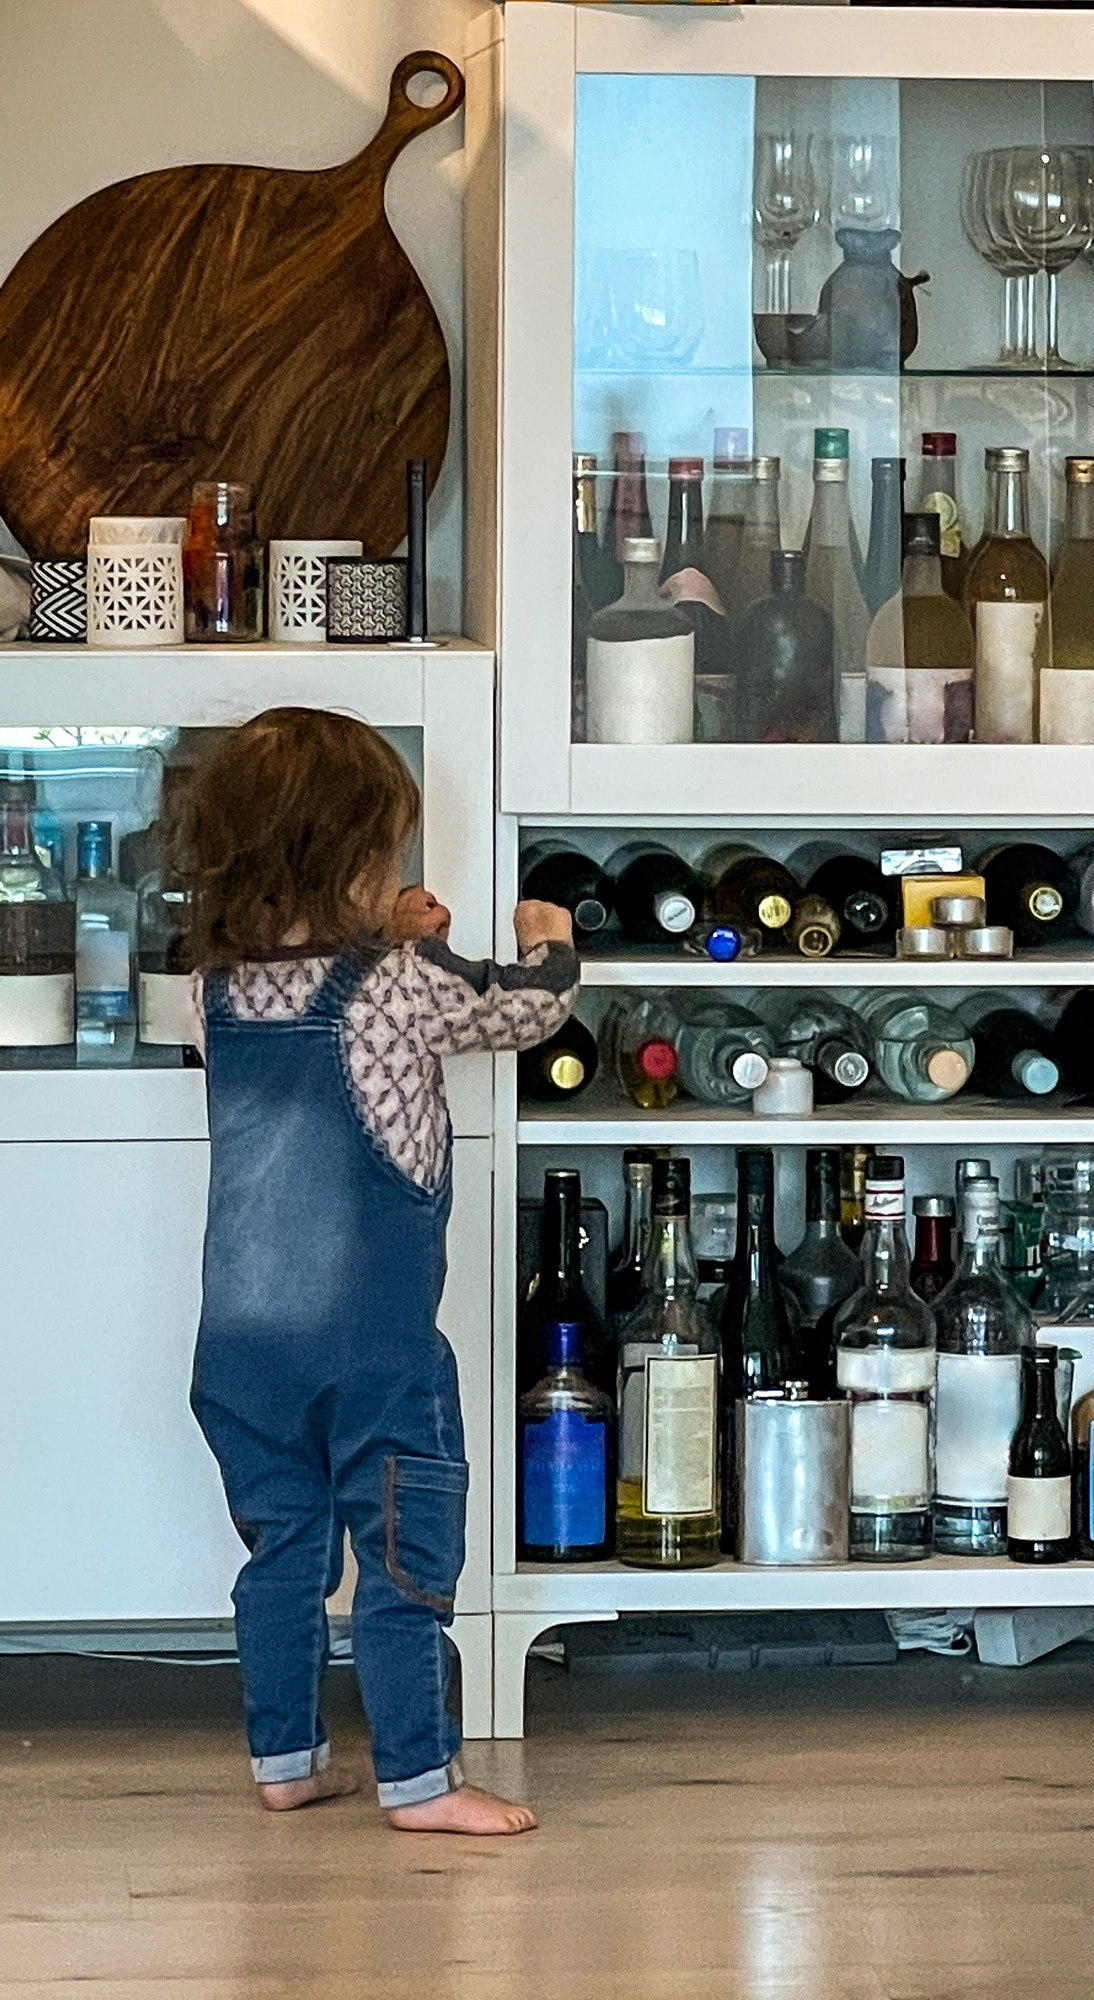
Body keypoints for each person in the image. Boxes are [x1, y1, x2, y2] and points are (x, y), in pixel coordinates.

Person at [181, 708, 578, 1835]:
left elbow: (327, 978)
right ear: (362, 860)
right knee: (404, 1558)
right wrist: (548, 935)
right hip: (374, 1350)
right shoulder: (399, 984)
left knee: (283, 1553)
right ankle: (422, 1779)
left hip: (241, 1348)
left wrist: (389, 930)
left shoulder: (206, 990)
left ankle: (287, 1756)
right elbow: (523, 1008)